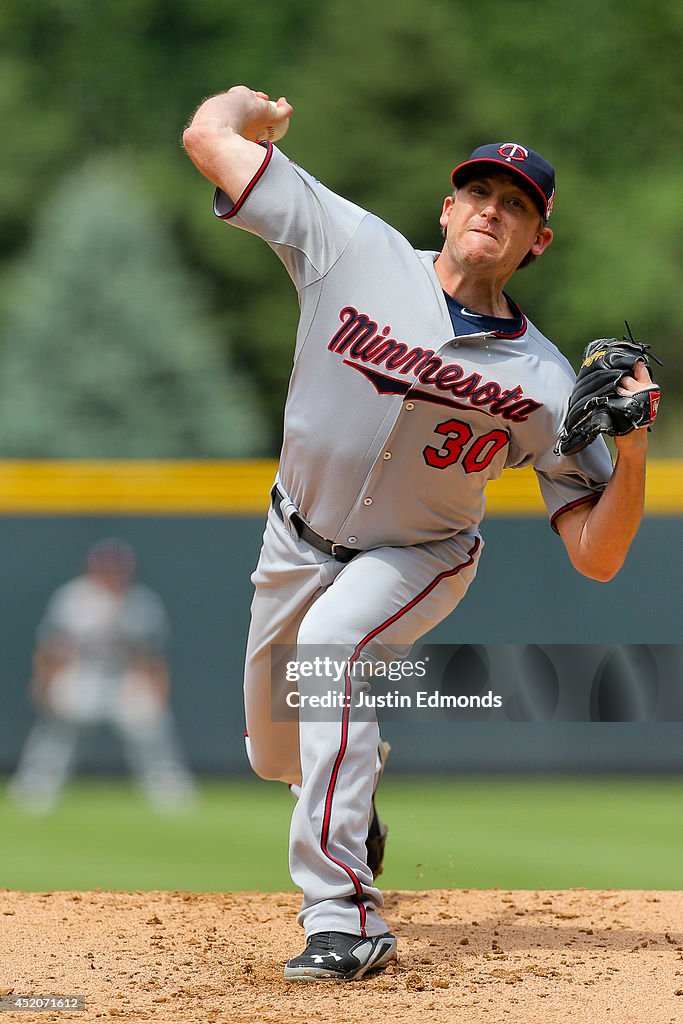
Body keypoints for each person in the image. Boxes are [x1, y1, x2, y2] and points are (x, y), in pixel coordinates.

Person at [183, 87, 655, 980]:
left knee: (332, 651)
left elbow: (597, 557)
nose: (493, 210)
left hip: (419, 554)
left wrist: (630, 458)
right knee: (272, 750)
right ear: (447, 208)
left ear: (536, 241)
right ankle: (351, 813)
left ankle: (345, 919)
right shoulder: (353, 246)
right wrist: (243, 106)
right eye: (479, 192)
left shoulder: (549, 383)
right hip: (293, 537)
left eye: (517, 205)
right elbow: (206, 140)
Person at [8, 538, 195, 814]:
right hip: (82, 675)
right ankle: (37, 784)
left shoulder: (141, 603)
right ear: (92, 569)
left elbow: (151, 656)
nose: (111, 574)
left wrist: (158, 688)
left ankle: (167, 786)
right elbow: (50, 647)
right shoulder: (73, 599)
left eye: (116, 569)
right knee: (58, 728)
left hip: (124, 678)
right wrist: (45, 681)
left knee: (150, 722)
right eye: (105, 568)